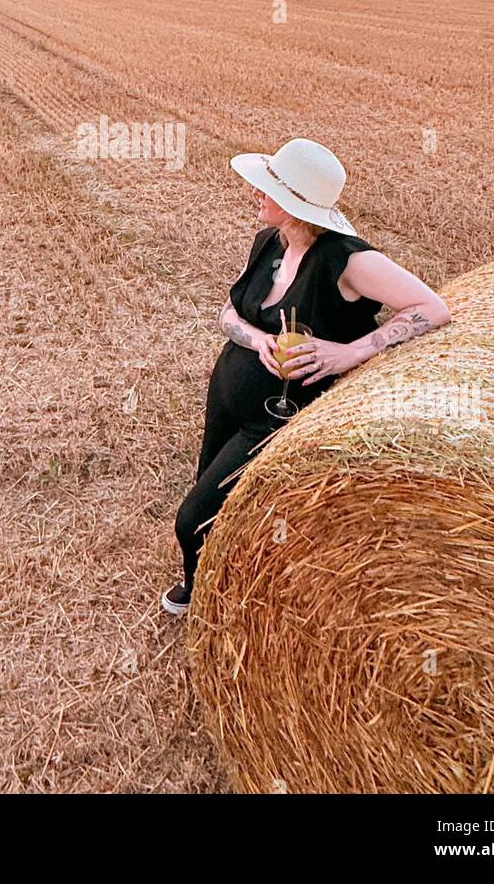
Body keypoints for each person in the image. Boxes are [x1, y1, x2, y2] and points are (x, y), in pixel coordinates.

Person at [162, 137, 450, 616]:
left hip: (278, 417)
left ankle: (208, 594)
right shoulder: (269, 243)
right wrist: (257, 340)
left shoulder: (350, 261)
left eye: (266, 188)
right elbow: (229, 315)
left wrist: (350, 353)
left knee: (192, 518)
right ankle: (203, 580)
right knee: (211, 502)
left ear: (294, 202)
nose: (256, 193)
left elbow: (431, 308)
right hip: (229, 394)